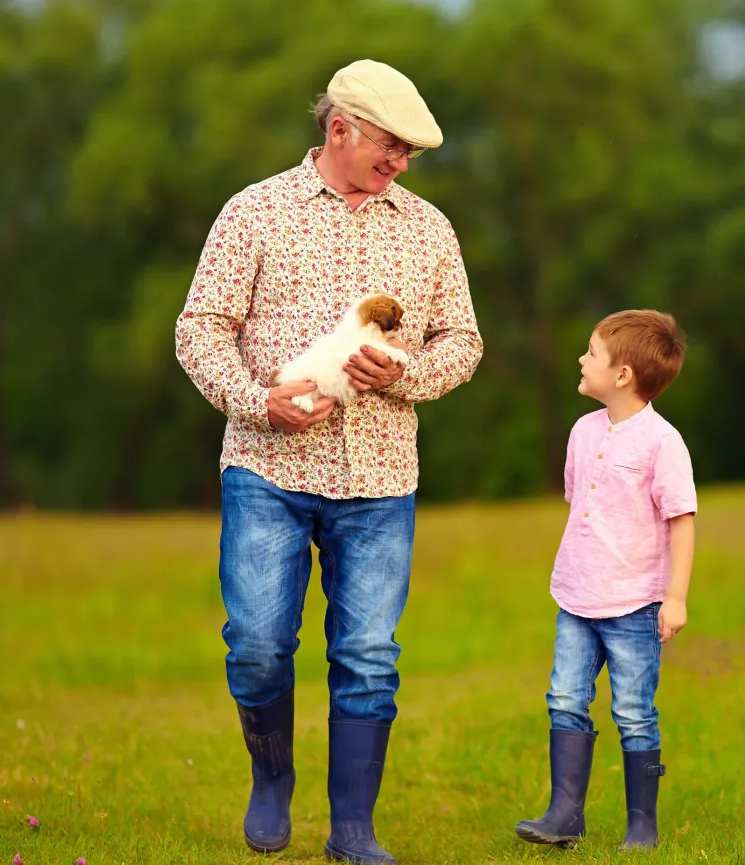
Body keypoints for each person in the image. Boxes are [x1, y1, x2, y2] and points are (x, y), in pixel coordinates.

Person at [173, 58, 482, 865]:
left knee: (370, 654)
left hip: (381, 476)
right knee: (258, 643)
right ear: (339, 127)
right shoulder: (254, 212)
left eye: (411, 152)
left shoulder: (428, 229)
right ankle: (271, 774)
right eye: (391, 145)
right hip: (266, 467)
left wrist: (409, 374)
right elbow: (198, 328)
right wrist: (255, 398)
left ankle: (353, 830)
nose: (401, 163)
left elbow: (465, 341)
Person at [514, 310, 697, 852]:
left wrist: (676, 597)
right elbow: (580, 502)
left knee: (633, 712)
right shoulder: (582, 431)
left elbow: (681, 520)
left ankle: (642, 825)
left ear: (622, 375)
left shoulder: (662, 443)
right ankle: (564, 814)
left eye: (590, 353)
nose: (580, 359)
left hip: (636, 604)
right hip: (576, 597)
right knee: (565, 697)